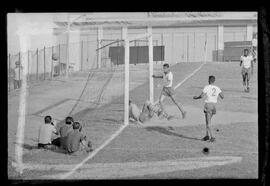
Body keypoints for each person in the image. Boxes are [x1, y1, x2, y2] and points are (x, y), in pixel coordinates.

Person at [193, 75, 224, 142]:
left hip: (208, 105)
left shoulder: (207, 87)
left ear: (209, 80)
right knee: (207, 121)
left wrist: (196, 98)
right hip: (214, 106)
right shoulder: (217, 88)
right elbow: (222, 96)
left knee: (208, 122)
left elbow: (201, 96)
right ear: (214, 80)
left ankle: (212, 137)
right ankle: (207, 136)